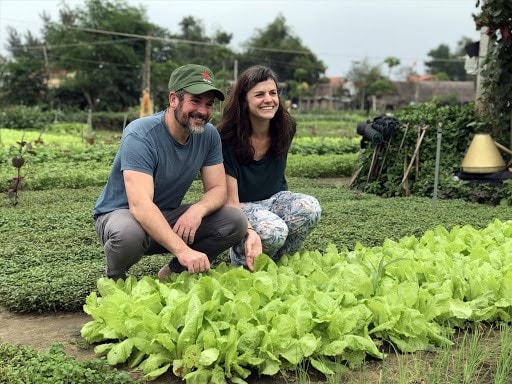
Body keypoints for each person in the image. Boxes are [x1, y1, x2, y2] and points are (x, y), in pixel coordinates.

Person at [93, 64, 247, 281]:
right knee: (129, 233)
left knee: (234, 220)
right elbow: (140, 205)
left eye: (209, 104)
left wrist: (198, 210)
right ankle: (114, 282)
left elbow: (218, 189)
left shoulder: (209, 135)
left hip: (166, 213)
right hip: (122, 215)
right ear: (174, 99)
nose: (203, 111)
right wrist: (183, 250)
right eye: (195, 101)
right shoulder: (141, 134)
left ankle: (174, 273)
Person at [217, 65, 322, 271]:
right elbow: (231, 201)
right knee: (274, 230)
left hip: (274, 199)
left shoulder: (285, 127)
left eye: (273, 93)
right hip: (240, 206)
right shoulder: (225, 139)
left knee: (311, 208)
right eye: (259, 94)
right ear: (244, 101)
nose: (268, 99)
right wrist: (248, 230)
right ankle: (242, 261)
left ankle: (278, 264)